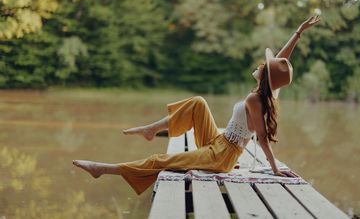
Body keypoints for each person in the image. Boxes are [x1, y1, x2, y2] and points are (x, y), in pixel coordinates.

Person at [72, 15, 320, 195]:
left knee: (161, 160)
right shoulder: (267, 93)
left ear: (265, 76)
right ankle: (151, 129)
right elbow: (282, 59)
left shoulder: (254, 99)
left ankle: (103, 168)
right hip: (217, 140)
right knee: (198, 103)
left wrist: (275, 168)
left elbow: (263, 138)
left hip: (222, 155)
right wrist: (299, 31)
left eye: (263, 66)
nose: (260, 64)